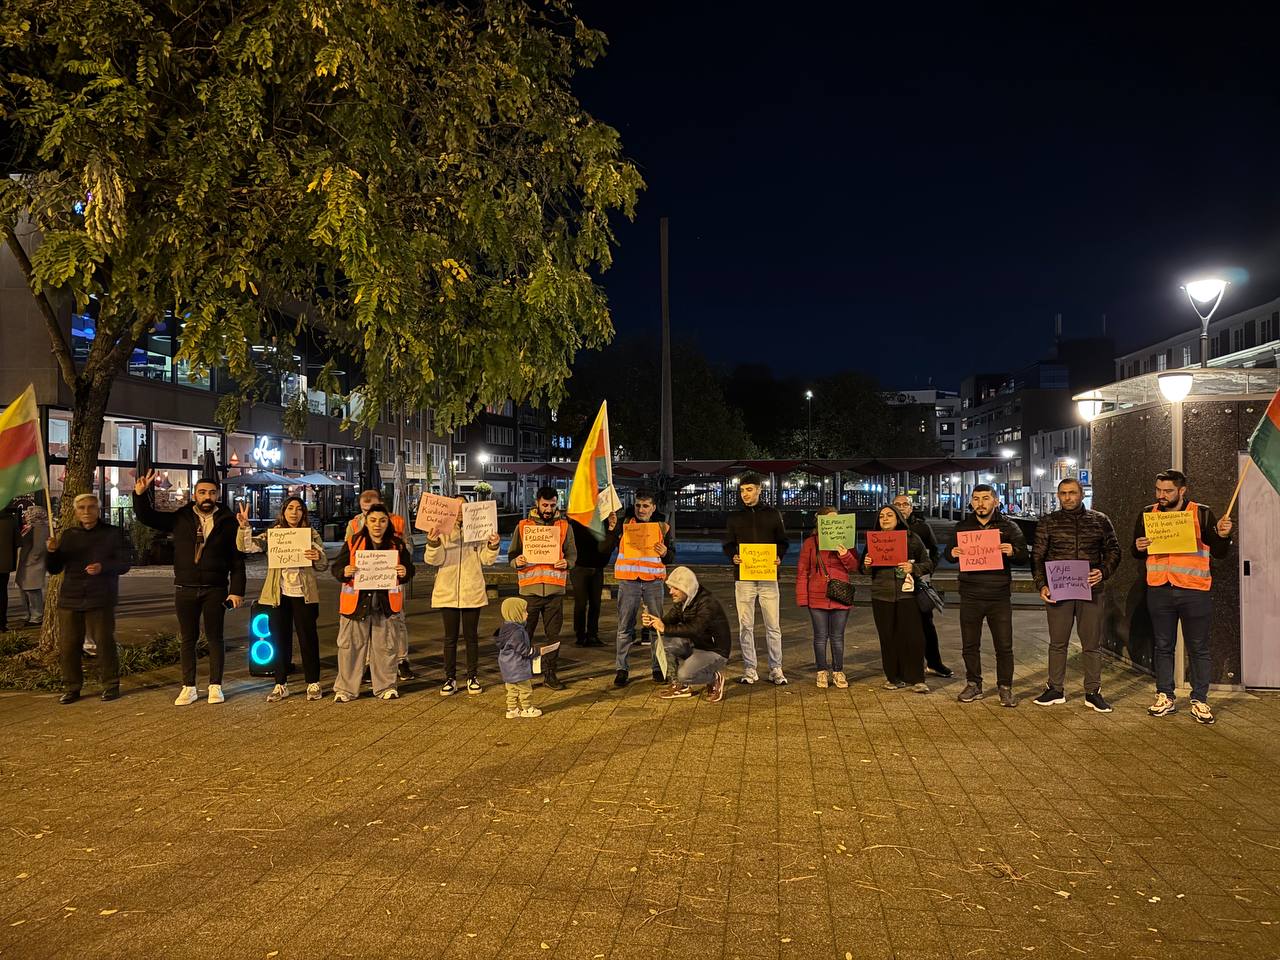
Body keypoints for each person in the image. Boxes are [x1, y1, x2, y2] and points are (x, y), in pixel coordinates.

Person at [134, 470, 245, 705]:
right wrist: (140, 495)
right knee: (188, 639)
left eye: (212, 493)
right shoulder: (181, 517)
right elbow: (147, 517)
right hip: (185, 587)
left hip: (215, 588)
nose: (207, 497)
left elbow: (237, 559)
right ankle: (189, 687)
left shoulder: (228, 522)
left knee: (215, 638)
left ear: (218, 495)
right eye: (202, 492)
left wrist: (236, 590)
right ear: (194, 495)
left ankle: (215, 686)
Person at [1133, 469, 1233, 724]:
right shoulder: (1147, 513)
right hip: (1159, 588)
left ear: (1182, 490)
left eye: (1168, 491)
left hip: (1194, 589)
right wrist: (1138, 546)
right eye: (1158, 490)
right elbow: (1136, 550)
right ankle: (1165, 695)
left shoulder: (1201, 513)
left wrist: (1223, 535)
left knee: (1198, 647)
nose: (1161, 495)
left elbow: (1219, 552)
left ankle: (1200, 699)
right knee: (1163, 646)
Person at [1031, 477, 1122, 712]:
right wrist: (1042, 584)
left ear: (1081, 494)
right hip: (1059, 589)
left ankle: (1093, 692)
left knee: (1091, 644)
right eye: (1063, 493)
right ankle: (1055, 689)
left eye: (1072, 492)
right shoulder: (1048, 521)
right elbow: (1037, 556)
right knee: (1057, 642)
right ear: (1058, 496)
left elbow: (1114, 550)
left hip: (1090, 589)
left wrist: (1103, 572)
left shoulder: (1100, 520)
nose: (1067, 497)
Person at [235, 495, 329, 702]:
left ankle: (313, 682)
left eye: (299, 509)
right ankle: (280, 683)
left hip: (304, 595)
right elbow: (247, 547)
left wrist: (318, 557)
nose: (294, 512)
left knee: (308, 639)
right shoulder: (274, 534)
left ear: (304, 513)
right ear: (283, 512)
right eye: (290, 508)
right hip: (278, 595)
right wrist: (244, 527)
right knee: (279, 640)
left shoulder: (311, 534)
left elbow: (323, 564)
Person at [946, 484, 1028, 708]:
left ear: (995, 501)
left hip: (998, 595)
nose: (980, 503)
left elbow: (1024, 556)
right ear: (971, 502)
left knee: (1004, 645)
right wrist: (952, 553)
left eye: (985, 498)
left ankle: (1005, 687)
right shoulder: (963, 526)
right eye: (976, 499)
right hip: (970, 593)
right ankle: (974, 684)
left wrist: (1013, 552)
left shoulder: (1009, 526)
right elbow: (948, 554)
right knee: (970, 644)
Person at [46, 494, 130, 703]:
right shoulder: (69, 535)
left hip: (100, 596)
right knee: (69, 646)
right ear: (76, 512)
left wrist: (103, 567)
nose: (86, 511)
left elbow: (124, 563)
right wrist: (52, 552)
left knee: (104, 643)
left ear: (98, 510)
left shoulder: (112, 533)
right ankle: (72, 687)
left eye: (91, 507)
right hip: (71, 597)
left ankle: (110, 685)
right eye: (81, 508)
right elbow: (55, 568)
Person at [330, 504, 415, 701]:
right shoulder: (353, 542)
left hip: (385, 606)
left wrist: (405, 572)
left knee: (386, 649)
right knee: (350, 649)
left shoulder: (397, 545)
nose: (377, 525)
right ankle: (345, 690)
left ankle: (386, 687)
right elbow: (337, 568)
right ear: (366, 522)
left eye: (382, 521)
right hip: (355, 606)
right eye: (373, 520)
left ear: (388, 523)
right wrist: (344, 571)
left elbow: (409, 569)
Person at [423, 500, 501, 695]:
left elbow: (486, 559)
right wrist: (433, 543)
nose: (459, 512)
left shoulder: (479, 529)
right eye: (455, 507)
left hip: (471, 591)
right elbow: (434, 560)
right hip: (447, 591)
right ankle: (449, 678)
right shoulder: (441, 531)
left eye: (463, 507)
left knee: (471, 637)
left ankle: (472, 677)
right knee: (450, 638)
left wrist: (493, 545)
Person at [722, 472, 789, 685]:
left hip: (768, 577)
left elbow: (783, 541)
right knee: (745, 626)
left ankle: (776, 668)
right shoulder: (735, 517)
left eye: (749, 490)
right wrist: (733, 556)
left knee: (773, 625)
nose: (745, 494)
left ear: (759, 490)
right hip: (744, 577)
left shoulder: (773, 514)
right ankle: (750, 668)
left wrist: (779, 556)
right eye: (742, 490)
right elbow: (728, 544)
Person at [507, 486, 577, 690]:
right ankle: (521, 674)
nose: (548, 509)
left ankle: (550, 673)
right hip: (529, 591)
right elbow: (512, 554)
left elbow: (572, 554)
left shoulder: (565, 527)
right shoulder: (523, 526)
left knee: (553, 636)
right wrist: (516, 562)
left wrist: (568, 563)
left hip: (554, 591)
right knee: (523, 635)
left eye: (552, 505)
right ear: (537, 503)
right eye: (545, 505)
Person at [862, 505, 934, 692]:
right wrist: (867, 564)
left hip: (907, 594)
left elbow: (928, 563)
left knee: (914, 637)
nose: (885, 519)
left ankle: (917, 678)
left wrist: (913, 568)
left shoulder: (912, 538)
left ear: (898, 519)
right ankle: (893, 677)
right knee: (888, 637)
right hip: (881, 595)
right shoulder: (873, 540)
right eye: (881, 516)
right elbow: (863, 569)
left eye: (889, 515)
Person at [345, 488, 414, 680]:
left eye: (372, 508)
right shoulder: (354, 523)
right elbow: (348, 548)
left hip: (390, 579)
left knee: (397, 619)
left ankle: (401, 660)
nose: (369, 513)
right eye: (364, 510)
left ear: (380, 504)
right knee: (366, 621)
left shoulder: (397, 521)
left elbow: (407, 543)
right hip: (365, 580)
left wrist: (400, 562)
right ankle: (369, 663)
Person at [611, 490, 672, 687]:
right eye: (638, 505)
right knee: (624, 627)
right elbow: (607, 545)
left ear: (653, 508)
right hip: (629, 581)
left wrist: (666, 553)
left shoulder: (662, 527)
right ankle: (621, 669)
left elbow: (671, 556)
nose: (641, 509)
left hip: (653, 582)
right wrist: (611, 529)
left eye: (646, 506)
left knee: (656, 626)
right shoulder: (624, 525)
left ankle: (658, 668)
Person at [642, 566, 729, 702]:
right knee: (663, 643)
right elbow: (667, 622)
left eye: (675, 588)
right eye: (670, 588)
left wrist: (664, 628)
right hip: (696, 644)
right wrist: (652, 623)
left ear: (686, 588)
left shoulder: (707, 603)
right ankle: (679, 686)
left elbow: (695, 629)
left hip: (714, 651)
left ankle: (714, 678)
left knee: (684, 675)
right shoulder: (683, 601)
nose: (670, 592)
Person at [796, 505, 857, 689]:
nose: (833, 524)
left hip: (840, 595)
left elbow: (854, 567)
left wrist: (845, 554)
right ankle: (821, 671)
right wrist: (802, 598)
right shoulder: (810, 543)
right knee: (820, 636)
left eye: (836, 520)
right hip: (817, 596)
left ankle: (838, 671)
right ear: (820, 523)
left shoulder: (847, 542)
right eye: (829, 520)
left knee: (837, 637)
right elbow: (802, 571)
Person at [892, 494, 952, 677]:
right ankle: (901, 665)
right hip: (893, 583)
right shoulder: (886, 527)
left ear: (911, 508)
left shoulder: (922, 527)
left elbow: (934, 552)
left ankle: (934, 662)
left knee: (926, 624)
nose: (901, 507)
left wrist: (925, 571)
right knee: (898, 625)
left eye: (905, 504)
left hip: (918, 581)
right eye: (897, 504)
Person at [568, 511, 616, 648]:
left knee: (596, 603)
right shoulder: (577, 522)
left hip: (597, 568)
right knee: (581, 603)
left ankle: (592, 635)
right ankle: (580, 635)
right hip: (580, 567)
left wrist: (611, 529)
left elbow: (607, 546)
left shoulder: (605, 522)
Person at [495, 597, 541, 718]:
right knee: (525, 688)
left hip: (507, 666)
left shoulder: (505, 628)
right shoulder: (517, 632)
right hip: (518, 666)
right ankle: (527, 708)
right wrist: (536, 651)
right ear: (516, 613)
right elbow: (523, 650)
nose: (527, 613)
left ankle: (511, 709)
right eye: (524, 611)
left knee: (512, 688)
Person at [17, 503, 49, 626]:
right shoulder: (32, 527)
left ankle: (36, 616)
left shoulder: (40, 527)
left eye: (28, 513)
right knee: (25, 590)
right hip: (27, 563)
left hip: (32, 564)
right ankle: (28, 614)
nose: (26, 515)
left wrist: (31, 560)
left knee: (32, 591)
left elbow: (39, 547)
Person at [0, 505, 18, 632]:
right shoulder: (10, 520)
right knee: (2, 592)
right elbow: (18, 542)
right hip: (5, 564)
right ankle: (2, 622)